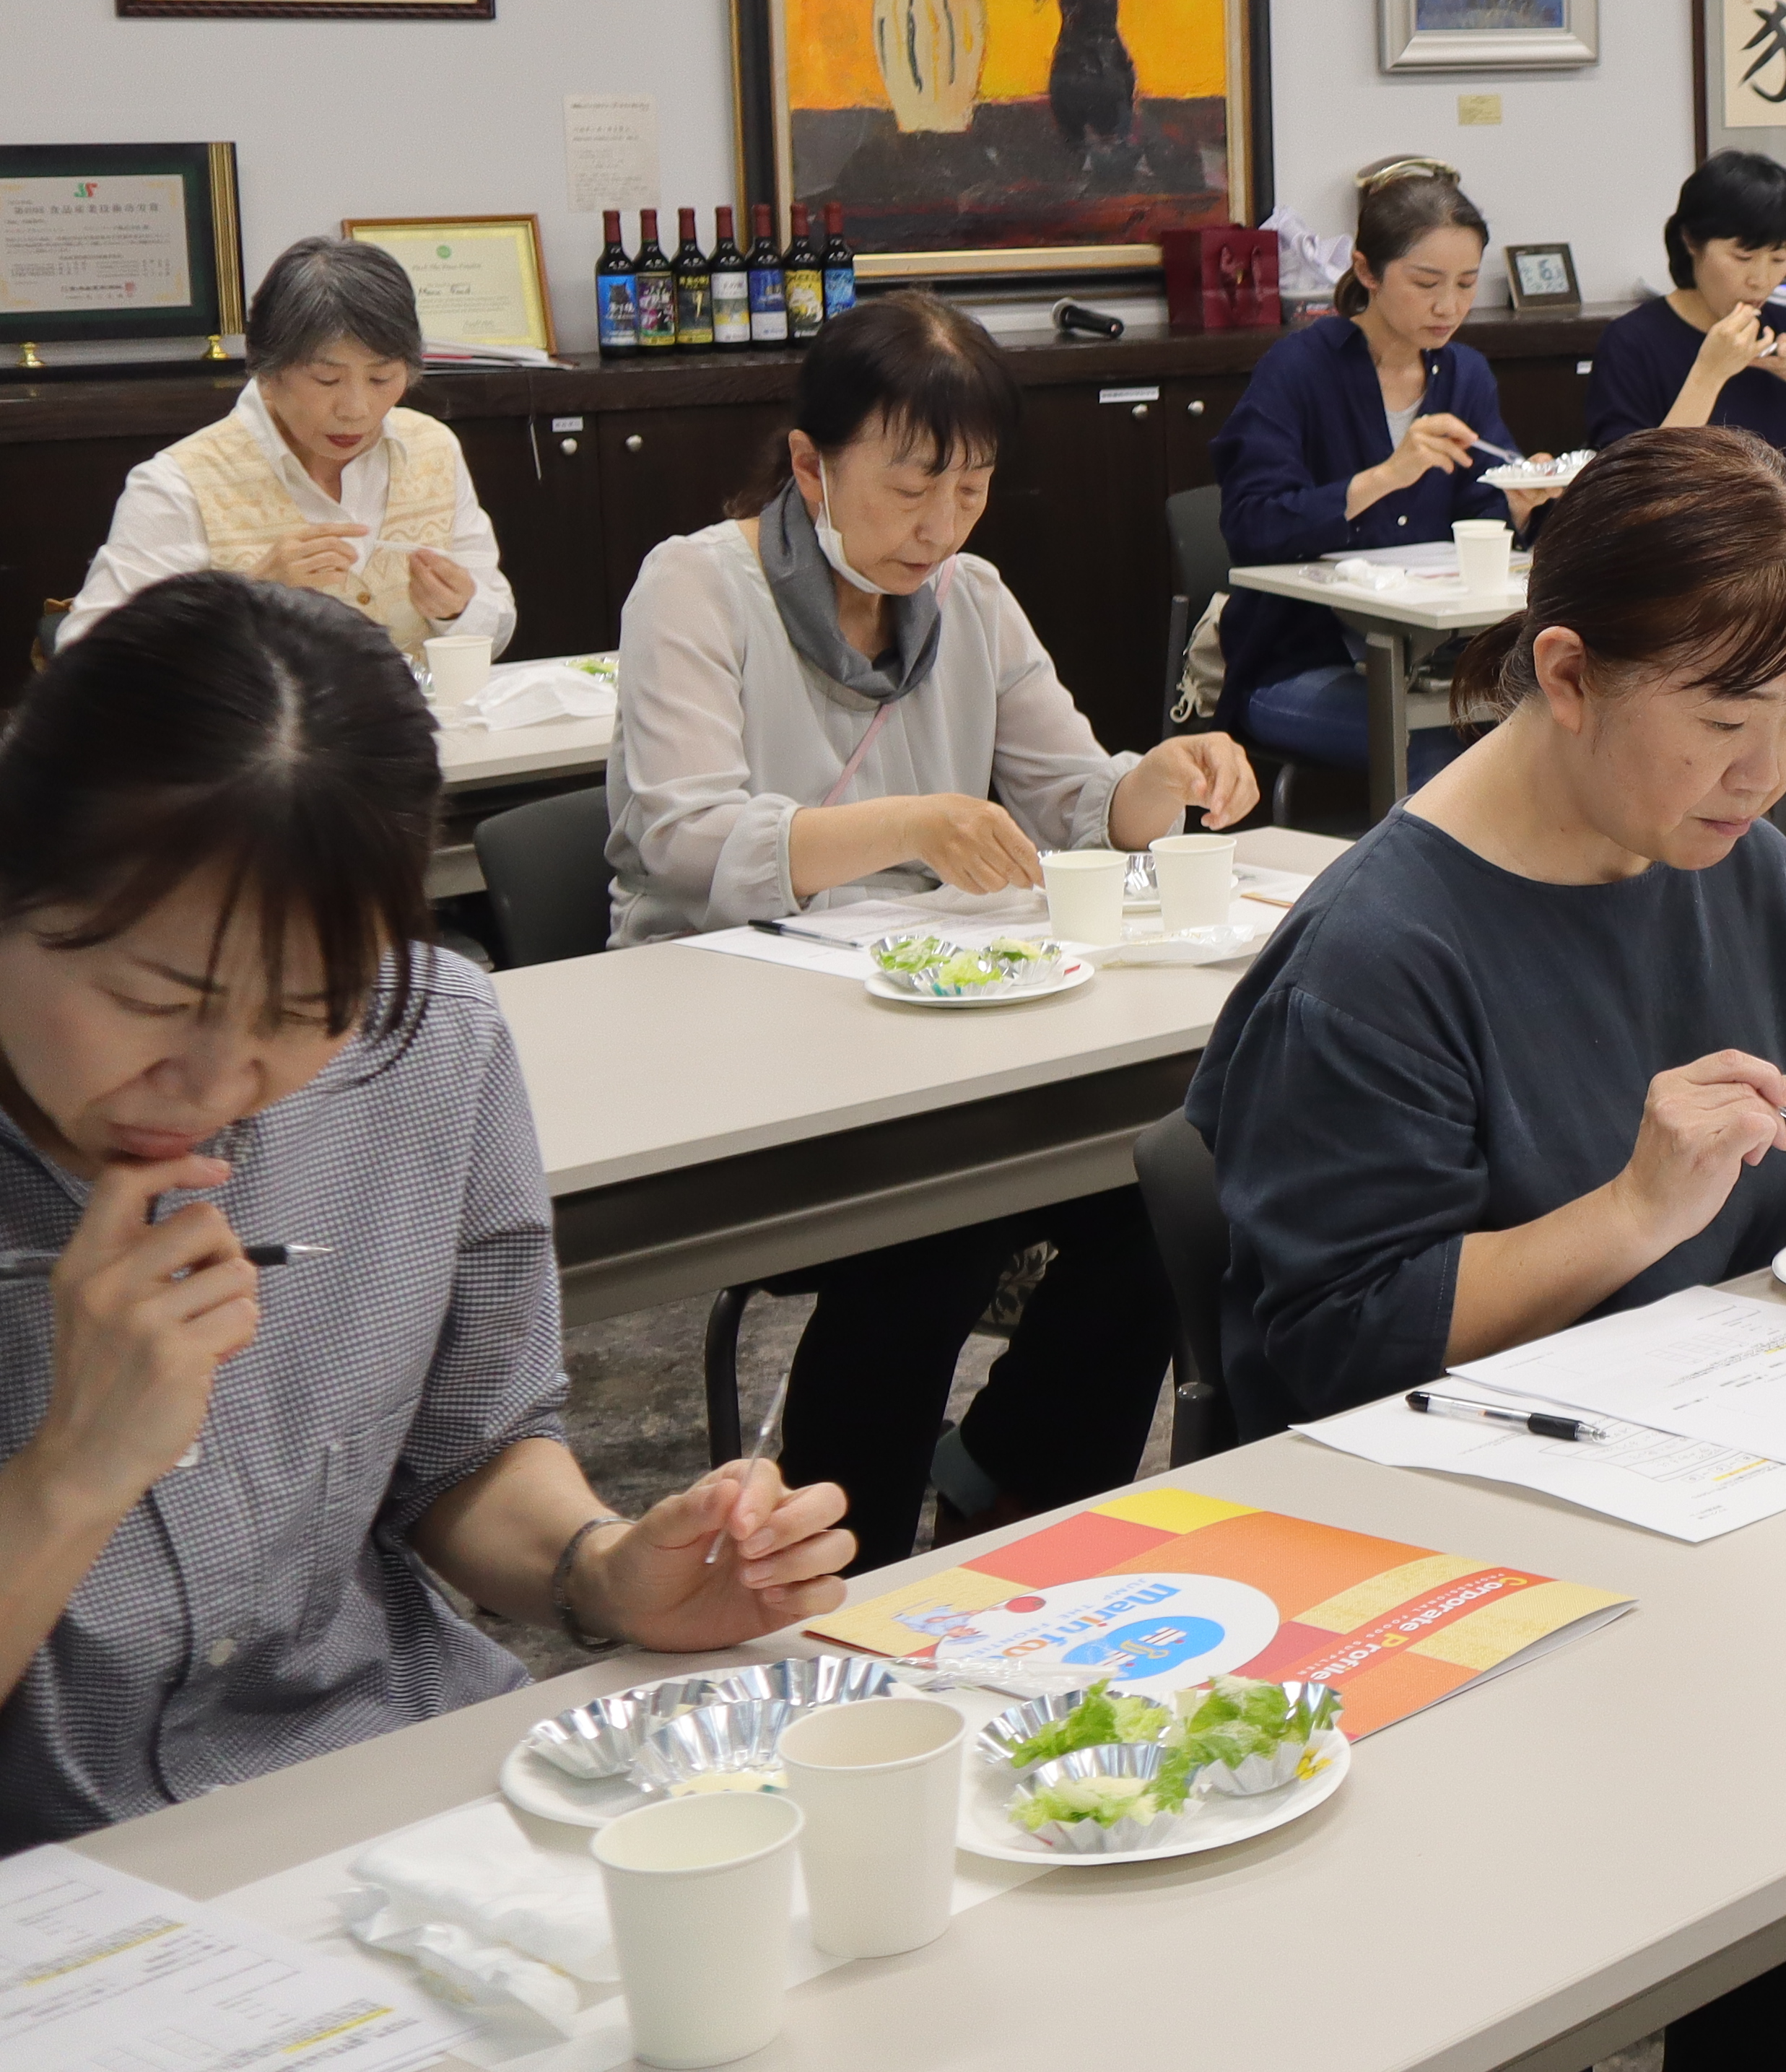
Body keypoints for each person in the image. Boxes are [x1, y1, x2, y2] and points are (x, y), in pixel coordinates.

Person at [1181, 429, 1786, 2072]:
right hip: (1462, 1550)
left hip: (1721, 1479)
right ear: (1568, 672)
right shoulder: (1382, 950)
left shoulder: (1745, 872)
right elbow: (1327, 1353)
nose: (1765, 774)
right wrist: (1627, 1211)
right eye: (1723, 719)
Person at [1, 573, 854, 1848]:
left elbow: (466, 1448)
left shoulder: (421, 1046)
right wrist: (76, 1473)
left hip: (393, 1793)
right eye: (157, 1000)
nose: (221, 1084)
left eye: (302, 1015)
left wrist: (606, 1571)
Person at [606, 293, 1258, 1565]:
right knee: (933, 1225)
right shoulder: (696, 588)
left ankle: (1010, 1483)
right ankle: (849, 1556)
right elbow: (682, 840)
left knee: (1162, 1187)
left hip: (932, 1018)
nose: (939, 526)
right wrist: (909, 828)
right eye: (911, 487)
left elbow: (1073, 795)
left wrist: (1158, 782)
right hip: (725, 1037)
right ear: (809, 463)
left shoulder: (973, 595)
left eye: (971, 490)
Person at [1213, 159, 1523, 790]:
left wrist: (1522, 502)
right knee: (1447, 749)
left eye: (1467, 284)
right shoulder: (1298, 369)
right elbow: (1252, 526)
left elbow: (1480, 518)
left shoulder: (1464, 375)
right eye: (1426, 282)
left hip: (1436, 662)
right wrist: (1385, 475)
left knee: (1551, 727)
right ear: (1366, 271)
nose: (1449, 306)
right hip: (1298, 665)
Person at [61, 236, 513, 661]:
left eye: (381, 378)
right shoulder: (179, 484)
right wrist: (247, 597)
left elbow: (495, 626)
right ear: (267, 373)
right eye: (326, 379)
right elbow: (87, 660)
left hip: (424, 737)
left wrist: (458, 611)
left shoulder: (432, 448)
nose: (357, 409)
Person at [1585, 151, 1786, 487]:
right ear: (1691, 241)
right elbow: (1632, 492)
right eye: (1742, 257)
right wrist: (1709, 373)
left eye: (1778, 258)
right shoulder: (1631, 341)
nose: (1760, 279)